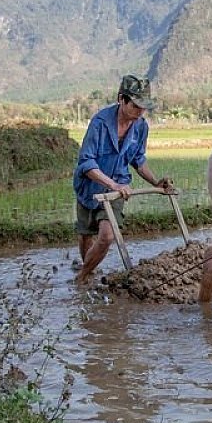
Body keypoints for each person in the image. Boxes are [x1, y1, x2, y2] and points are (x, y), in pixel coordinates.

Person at [73, 75, 171, 283]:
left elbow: (138, 159)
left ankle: (82, 276)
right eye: (136, 106)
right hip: (89, 186)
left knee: (107, 236)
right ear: (121, 99)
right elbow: (87, 162)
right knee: (85, 234)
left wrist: (155, 182)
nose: (140, 112)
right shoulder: (99, 123)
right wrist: (111, 184)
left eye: (144, 107)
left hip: (117, 188)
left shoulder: (141, 127)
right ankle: (88, 270)